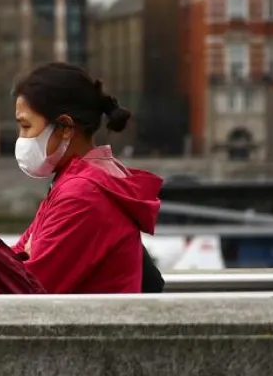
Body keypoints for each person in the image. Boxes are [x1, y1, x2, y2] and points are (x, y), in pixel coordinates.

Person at [12, 62, 163, 294]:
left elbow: (26, 289)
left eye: (26, 126)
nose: (21, 138)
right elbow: (16, 259)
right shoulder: (75, 181)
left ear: (65, 128)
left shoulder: (82, 195)